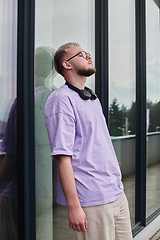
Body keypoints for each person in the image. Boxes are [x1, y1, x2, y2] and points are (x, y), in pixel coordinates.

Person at [44, 42, 133, 240]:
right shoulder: (61, 100)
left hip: (116, 192)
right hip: (93, 199)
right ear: (66, 64)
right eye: (82, 54)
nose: (88, 56)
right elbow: (63, 157)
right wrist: (75, 206)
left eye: (88, 53)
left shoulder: (92, 98)